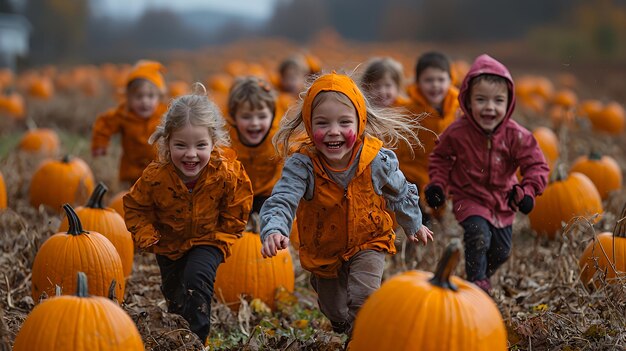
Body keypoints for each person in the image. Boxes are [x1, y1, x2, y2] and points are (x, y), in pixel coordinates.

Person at [259, 72, 434, 338]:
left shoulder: (376, 160)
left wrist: (414, 223)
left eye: (344, 122)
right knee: (335, 310)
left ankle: (360, 338)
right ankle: (342, 324)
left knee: (363, 298)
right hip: (324, 247)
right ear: (308, 124)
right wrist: (274, 228)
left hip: (368, 240)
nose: (333, 131)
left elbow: (400, 191)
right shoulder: (302, 165)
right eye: (322, 123)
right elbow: (283, 199)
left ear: (360, 122)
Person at [123, 86, 253, 344]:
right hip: (169, 244)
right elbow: (135, 206)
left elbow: (239, 200)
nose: (191, 154)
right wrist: (147, 234)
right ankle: (178, 335)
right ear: (167, 141)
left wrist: (225, 232)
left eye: (200, 145)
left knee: (197, 280)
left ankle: (196, 342)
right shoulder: (156, 177)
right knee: (175, 296)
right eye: (181, 145)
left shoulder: (225, 173)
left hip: (208, 240)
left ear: (213, 142)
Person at [424, 54, 549, 294]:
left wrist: (528, 190)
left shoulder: (517, 136)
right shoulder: (457, 132)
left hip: (503, 200)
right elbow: (440, 157)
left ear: (508, 103)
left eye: (498, 101)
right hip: (468, 196)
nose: (489, 107)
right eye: (481, 100)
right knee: (478, 234)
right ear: (468, 102)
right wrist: (438, 185)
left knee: (501, 252)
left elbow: (536, 164)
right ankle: (477, 282)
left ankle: (481, 274)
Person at [395, 51, 460, 225]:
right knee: (419, 208)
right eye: (429, 80)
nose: (435, 85)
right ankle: (420, 220)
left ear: (450, 80)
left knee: (440, 206)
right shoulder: (410, 110)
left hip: (443, 170)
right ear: (418, 82)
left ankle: (435, 218)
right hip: (415, 169)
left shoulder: (457, 109)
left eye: (440, 80)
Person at [91, 60, 169, 187]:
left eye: (150, 96)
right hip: (132, 172)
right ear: (128, 97)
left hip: (160, 170)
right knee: (131, 200)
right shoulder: (124, 114)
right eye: (139, 96)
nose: (145, 101)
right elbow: (105, 124)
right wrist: (100, 143)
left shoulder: (165, 114)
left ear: (159, 97)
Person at [227, 76, 284, 213]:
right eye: (246, 117)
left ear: (272, 115)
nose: (254, 123)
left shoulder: (278, 140)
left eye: (262, 116)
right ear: (234, 117)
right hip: (236, 193)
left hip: (269, 193)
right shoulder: (226, 140)